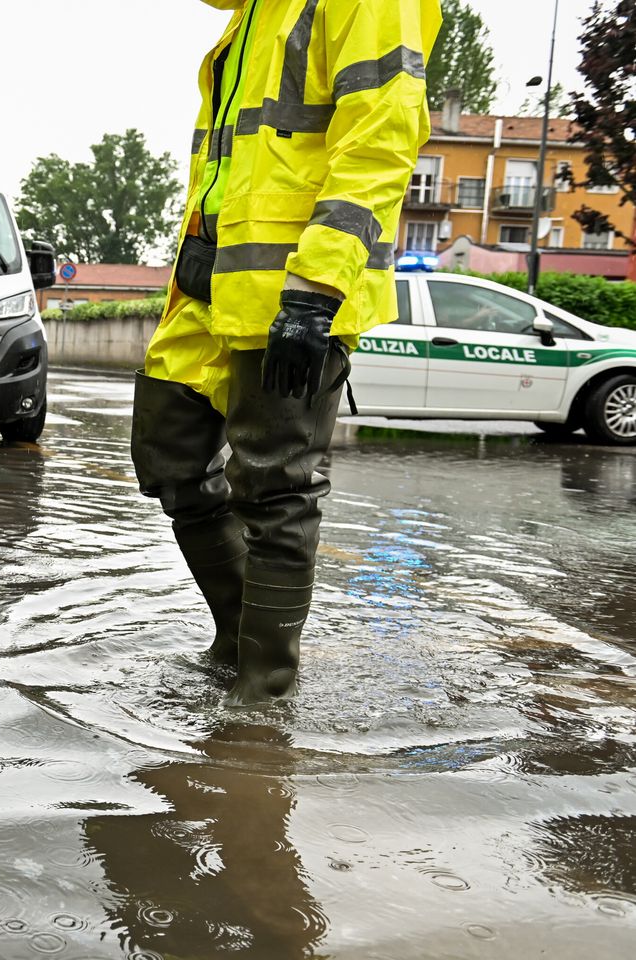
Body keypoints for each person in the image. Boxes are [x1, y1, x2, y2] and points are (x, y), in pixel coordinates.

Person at [130, 0, 440, 706]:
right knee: (169, 457)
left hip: (296, 289)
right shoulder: (254, 12)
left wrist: (316, 289)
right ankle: (239, 638)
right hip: (211, 283)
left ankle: (263, 693)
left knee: (275, 486)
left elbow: (381, 141)